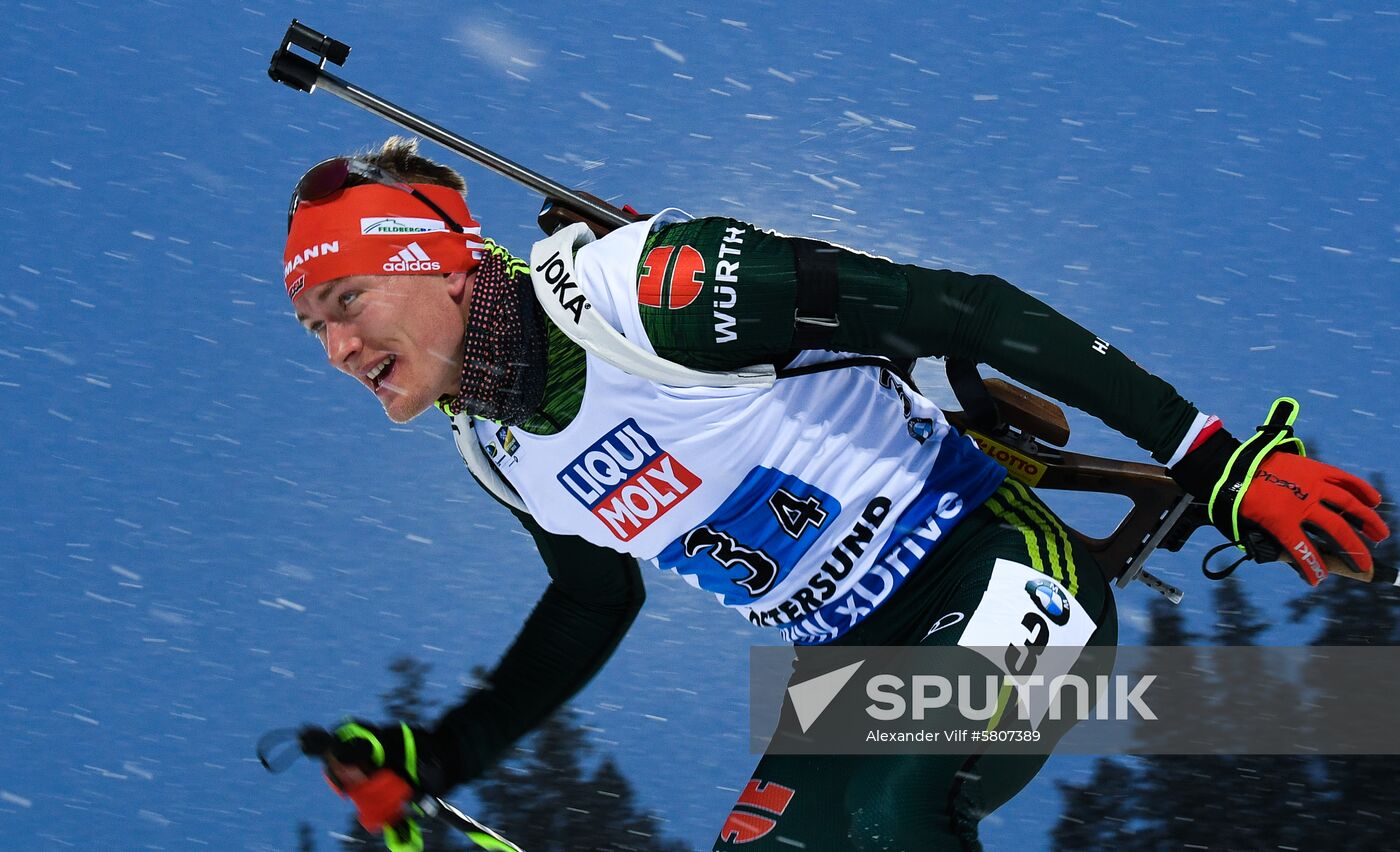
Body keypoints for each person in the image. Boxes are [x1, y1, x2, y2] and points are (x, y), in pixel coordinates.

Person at [277, 137, 1388, 851]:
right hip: (848, 669)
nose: (333, 347)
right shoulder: (496, 450)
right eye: (311, 325)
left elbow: (965, 311)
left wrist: (1210, 456)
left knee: (893, 809)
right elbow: (588, 602)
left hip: (991, 566)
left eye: (347, 299)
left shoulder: (646, 295)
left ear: (438, 260)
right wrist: (447, 755)